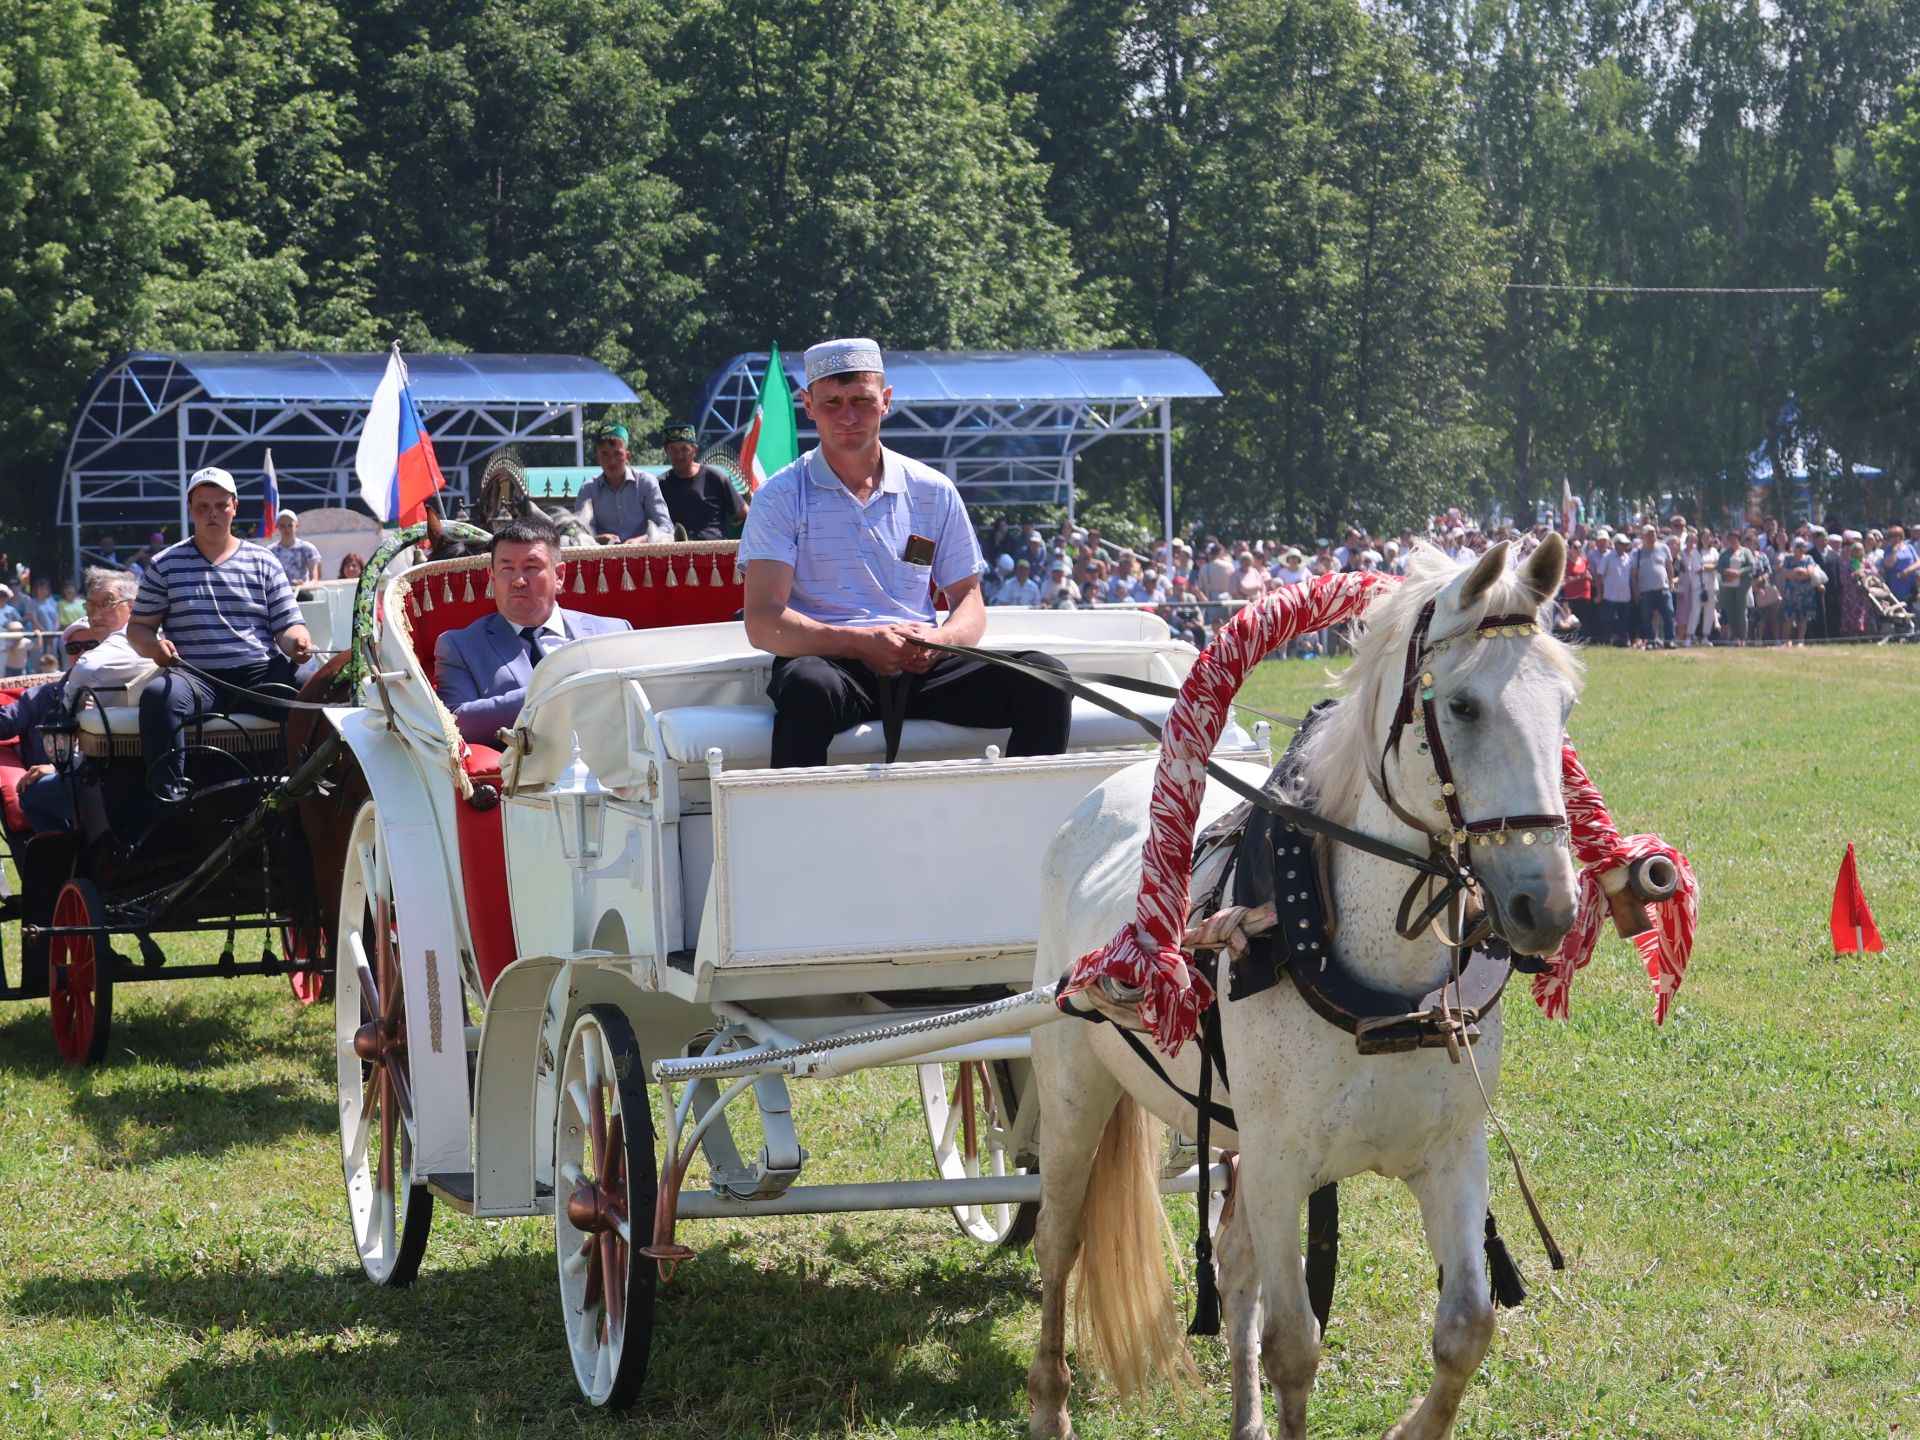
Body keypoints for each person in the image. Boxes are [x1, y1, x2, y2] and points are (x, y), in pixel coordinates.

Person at [738, 338, 1071, 769]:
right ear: (809, 405)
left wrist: (940, 640)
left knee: (1046, 677)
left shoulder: (932, 489)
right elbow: (763, 621)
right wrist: (858, 643)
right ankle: (797, 831)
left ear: (886, 401)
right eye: (833, 402)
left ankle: (1031, 825)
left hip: (920, 663)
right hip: (831, 664)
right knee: (807, 686)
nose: (848, 416)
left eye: (861, 399)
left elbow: (969, 600)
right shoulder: (781, 495)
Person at [128, 466, 314, 804]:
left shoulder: (264, 561)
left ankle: (300, 786)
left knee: (313, 687)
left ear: (234, 506)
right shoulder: (164, 564)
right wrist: (154, 647)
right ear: (190, 508)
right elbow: (138, 628)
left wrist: (298, 643)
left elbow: (288, 626)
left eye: (220, 505)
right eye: (203, 506)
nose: (212, 513)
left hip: (259, 674)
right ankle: (169, 798)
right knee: (158, 697)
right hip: (195, 677)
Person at [433, 514, 633, 747]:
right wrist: (552, 691)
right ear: (492, 577)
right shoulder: (460, 646)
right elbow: (456, 721)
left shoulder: (613, 632)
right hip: (520, 775)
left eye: (531, 567)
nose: (518, 580)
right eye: (506, 569)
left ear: (559, 576)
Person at [574, 424, 671, 543]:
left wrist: (643, 540)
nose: (612, 461)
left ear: (627, 456)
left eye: (617, 454)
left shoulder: (646, 483)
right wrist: (598, 539)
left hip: (644, 555)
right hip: (604, 557)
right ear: (598, 458)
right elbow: (579, 533)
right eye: (605, 455)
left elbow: (666, 527)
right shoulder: (588, 489)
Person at [658, 423, 747, 540]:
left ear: (695, 450)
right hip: (678, 553)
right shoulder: (661, 484)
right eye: (673, 450)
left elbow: (746, 513)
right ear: (667, 452)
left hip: (715, 552)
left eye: (684, 449)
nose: (679, 456)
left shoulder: (715, 477)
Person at [1629, 525, 1675, 649]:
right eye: (1649, 535)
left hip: (1663, 589)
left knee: (1669, 614)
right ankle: (1650, 641)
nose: (1652, 537)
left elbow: (1669, 568)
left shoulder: (1664, 548)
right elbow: (1633, 575)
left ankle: (1670, 640)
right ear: (1643, 537)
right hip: (1645, 591)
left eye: (1653, 533)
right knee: (1646, 618)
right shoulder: (1637, 553)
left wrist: (1671, 583)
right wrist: (1635, 591)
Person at [1777, 537, 1825, 646]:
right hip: (1791, 592)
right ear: (1794, 547)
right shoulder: (1788, 559)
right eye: (1799, 546)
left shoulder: (1809, 558)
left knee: (1804, 617)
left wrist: (1796, 573)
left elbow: (1809, 573)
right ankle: (1786, 641)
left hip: (1806, 592)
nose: (1802, 549)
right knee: (1789, 616)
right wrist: (1797, 572)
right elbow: (1785, 573)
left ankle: (1800, 641)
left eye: (1804, 546)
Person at [266, 511, 323, 585]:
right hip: (279, 594)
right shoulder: (271, 550)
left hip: (303, 593)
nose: (287, 529)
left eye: (290, 525)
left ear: (296, 526)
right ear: (277, 527)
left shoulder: (307, 548)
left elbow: (315, 579)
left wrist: (303, 585)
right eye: (283, 526)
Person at [1719, 532, 1756, 645]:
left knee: (1741, 612)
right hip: (1728, 586)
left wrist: (1739, 572)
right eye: (1730, 539)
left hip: (1742, 586)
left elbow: (1751, 565)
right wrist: (1726, 572)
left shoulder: (1746, 552)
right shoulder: (1725, 553)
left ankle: (1743, 637)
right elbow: (1719, 566)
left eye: (1734, 539)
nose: (1732, 541)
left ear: (1739, 540)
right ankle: (1734, 636)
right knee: (1731, 611)